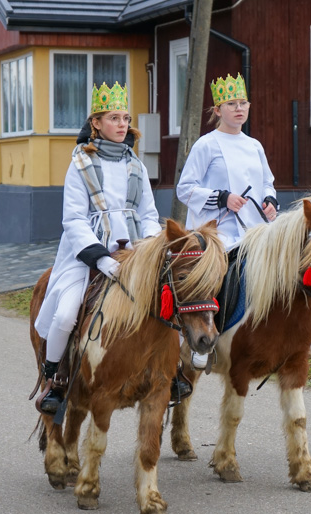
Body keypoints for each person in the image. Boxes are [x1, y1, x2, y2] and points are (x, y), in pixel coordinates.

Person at [34, 81, 186, 414]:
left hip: (134, 252)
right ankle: (54, 380)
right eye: (114, 117)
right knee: (65, 313)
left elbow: (147, 214)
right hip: (86, 254)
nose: (121, 124)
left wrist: (145, 250)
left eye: (125, 117)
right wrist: (101, 259)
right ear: (96, 124)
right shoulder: (79, 165)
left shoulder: (137, 166)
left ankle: (171, 374)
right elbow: (73, 220)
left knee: (172, 302)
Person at [177, 74, 311, 364]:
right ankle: (203, 341)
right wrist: (222, 198)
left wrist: (269, 201)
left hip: (255, 229)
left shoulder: (254, 145)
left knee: (289, 267)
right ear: (218, 110)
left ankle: (298, 336)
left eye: (243, 102)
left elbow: (267, 183)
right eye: (231, 103)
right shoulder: (206, 145)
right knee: (216, 274)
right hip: (218, 231)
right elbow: (185, 188)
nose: (239, 108)